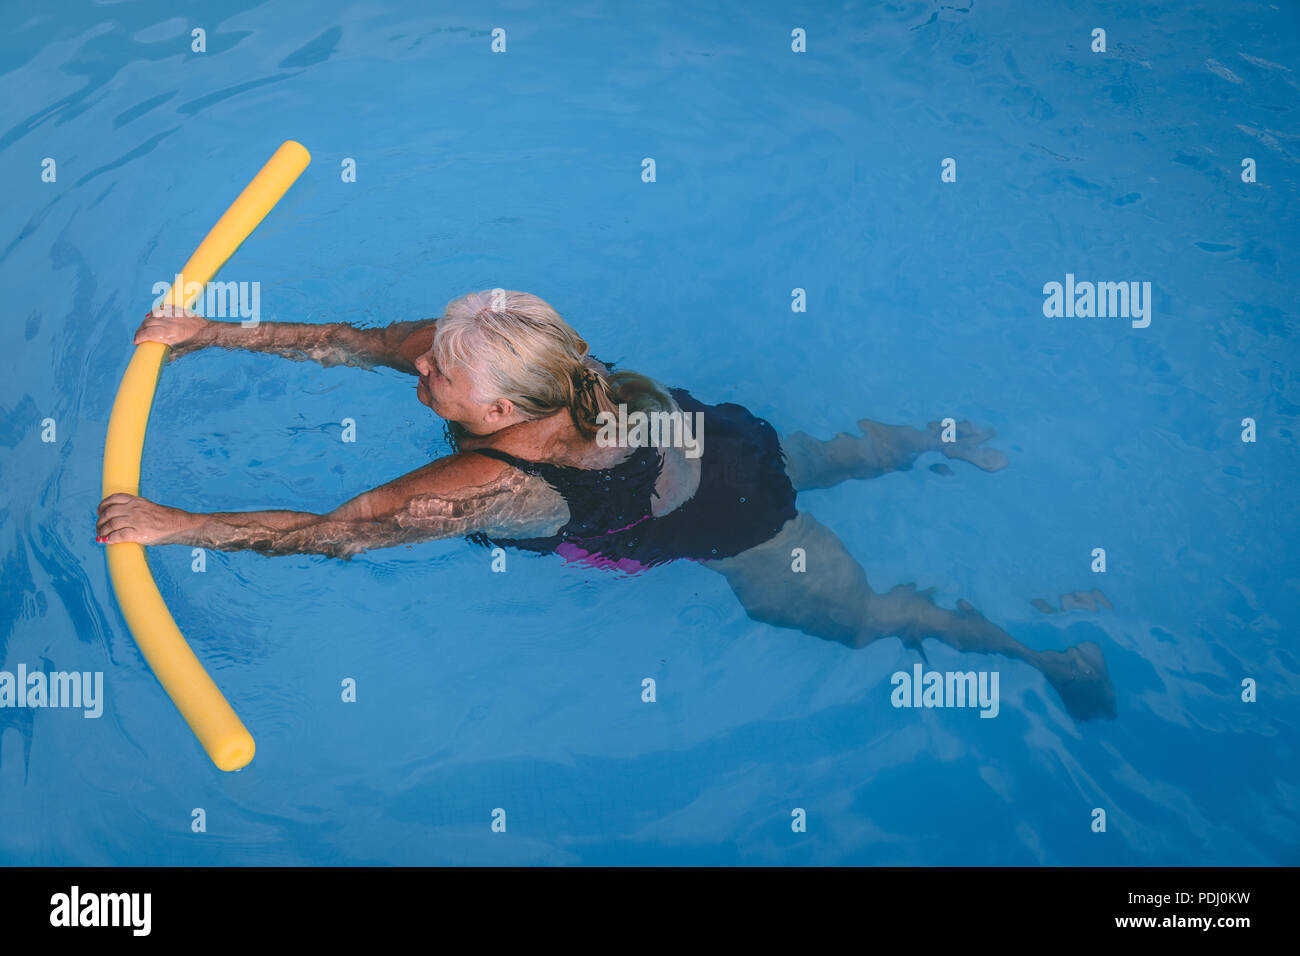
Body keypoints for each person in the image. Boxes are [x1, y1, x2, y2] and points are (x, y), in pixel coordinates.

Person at [97, 290, 1117, 720]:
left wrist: (170, 523)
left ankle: (1044, 653)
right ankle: (934, 439)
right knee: (813, 455)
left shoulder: (488, 484)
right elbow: (355, 339)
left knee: (858, 618)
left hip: (732, 524)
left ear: (496, 407)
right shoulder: (524, 351)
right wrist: (214, 331)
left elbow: (332, 534)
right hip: (718, 432)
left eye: (436, 373)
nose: (419, 364)